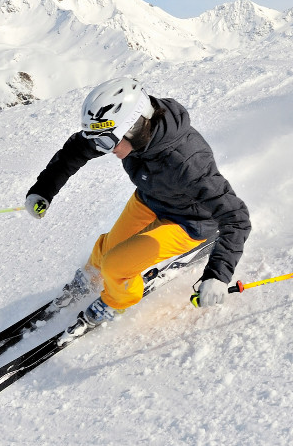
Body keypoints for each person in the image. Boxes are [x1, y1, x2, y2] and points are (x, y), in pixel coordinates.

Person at [24, 77, 250, 333]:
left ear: (135, 127)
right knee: (107, 248)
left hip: (189, 222)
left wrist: (218, 276)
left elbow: (237, 218)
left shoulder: (188, 162)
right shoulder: (125, 133)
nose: (103, 149)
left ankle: (116, 301)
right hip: (150, 199)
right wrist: (43, 191)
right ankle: (91, 276)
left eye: (107, 142)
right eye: (99, 141)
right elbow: (76, 150)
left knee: (116, 265)